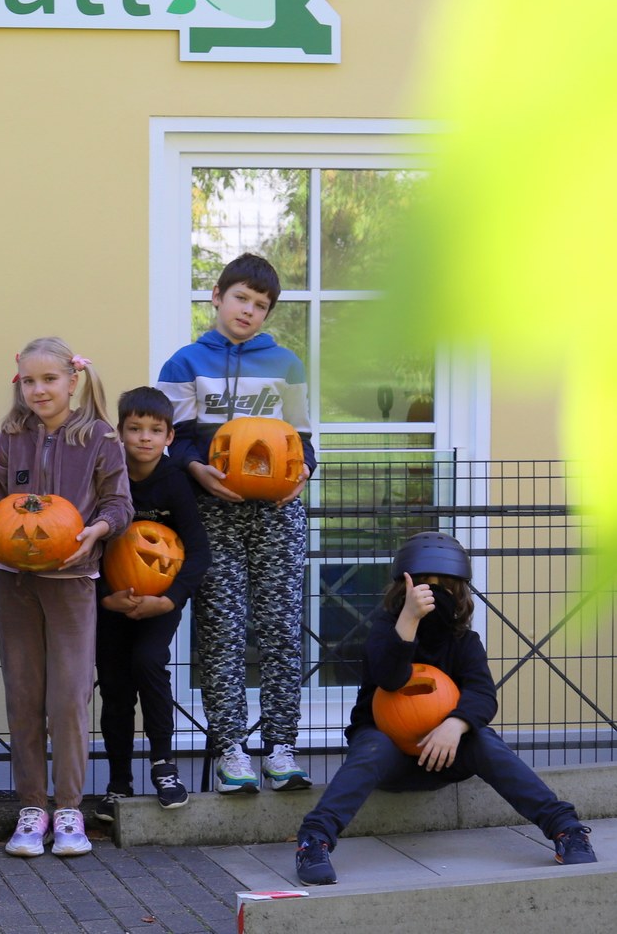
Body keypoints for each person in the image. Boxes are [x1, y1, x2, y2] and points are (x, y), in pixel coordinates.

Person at [294, 532, 597, 884]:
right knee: (373, 745)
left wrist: (455, 725)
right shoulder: (383, 631)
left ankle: (567, 830)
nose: (432, 592)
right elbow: (390, 678)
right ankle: (313, 840)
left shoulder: (465, 642)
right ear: (402, 590)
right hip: (389, 755)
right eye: (422, 584)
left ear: (459, 592)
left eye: (443, 585)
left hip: (446, 757)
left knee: (486, 741)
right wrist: (407, 620)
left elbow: (483, 693)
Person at [156, 252, 316, 793]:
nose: (249, 311)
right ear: (217, 298)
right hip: (213, 514)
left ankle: (281, 746)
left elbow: (304, 439)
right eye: (241, 298)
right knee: (222, 629)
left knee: (280, 628)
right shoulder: (184, 364)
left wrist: (304, 474)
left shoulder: (287, 365)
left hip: (277, 514)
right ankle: (230, 751)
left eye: (261, 305)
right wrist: (197, 470)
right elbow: (170, 442)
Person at [0, 340, 132, 859]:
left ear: (72, 381)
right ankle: (32, 807)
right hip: (14, 581)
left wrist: (99, 530)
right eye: (29, 381)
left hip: (72, 583)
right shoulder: (10, 437)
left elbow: (119, 503)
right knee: (22, 696)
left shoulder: (101, 439)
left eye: (49, 380)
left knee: (67, 699)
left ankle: (68, 808)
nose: (38, 390)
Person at [94, 387, 210, 822]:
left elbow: (199, 552)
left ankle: (163, 766)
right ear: (120, 433)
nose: (144, 437)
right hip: (111, 603)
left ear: (169, 437)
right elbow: (88, 544)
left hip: (161, 600)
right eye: (134, 428)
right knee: (115, 687)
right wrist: (107, 596)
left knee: (148, 663)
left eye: (154, 430)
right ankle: (118, 783)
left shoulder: (174, 483)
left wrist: (169, 600)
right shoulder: (108, 478)